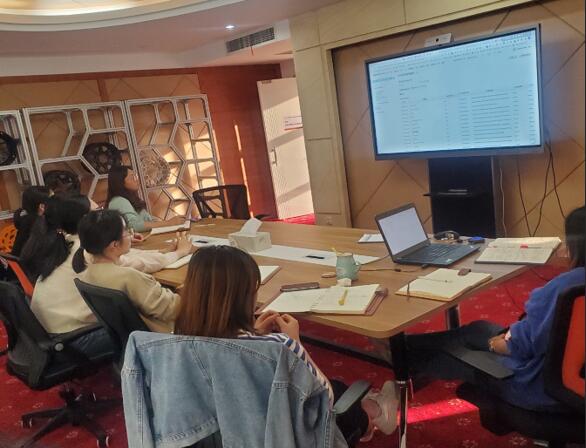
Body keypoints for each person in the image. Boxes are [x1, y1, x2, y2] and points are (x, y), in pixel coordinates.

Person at [175, 245, 399, 441]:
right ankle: (374, 412)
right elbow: (325, 399)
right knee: (339, 394)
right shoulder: (278, 345)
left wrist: (255, 335)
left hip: (225, 430)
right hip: (285, 433)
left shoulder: (175, 343)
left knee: (339, 386)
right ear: (244, 297)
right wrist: (295, 343)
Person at [406, 205, 585, 412]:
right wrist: (510, 337)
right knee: (478, 329)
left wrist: (497, 345)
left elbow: (523, 346)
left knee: (452, 355)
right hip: (568, 375)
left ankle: (400, 360)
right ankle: (404, 346)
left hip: (536, 385)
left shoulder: (566, 288)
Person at [24, 196, 194, 356]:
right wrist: (180, 255)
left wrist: (163, 251)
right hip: (69, 336)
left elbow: (128, 258)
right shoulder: (92, 260)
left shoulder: (72, 246)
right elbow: (168, 305)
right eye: (97, 212)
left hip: (47, 329)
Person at [73, 209, 183, 333]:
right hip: (163, 335)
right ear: (114, 245)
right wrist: (188, 290)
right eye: (126, 231)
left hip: (133, 337)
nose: (131, 234)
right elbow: (172, 310)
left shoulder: (88, 273)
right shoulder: (129, 277)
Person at [107, 166, 184, 232]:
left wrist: (165, 223)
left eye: (136, 176)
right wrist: (168, 223)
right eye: (132, 177)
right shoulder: (118, 201)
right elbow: (133, 225)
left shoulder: (130, 199)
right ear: (120, 182)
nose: (137, 180)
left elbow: (148, 219)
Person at [11, 186, 51, 257]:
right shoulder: (36, 223)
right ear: (41, 206)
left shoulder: (26, 219)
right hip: (29, 262)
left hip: (18, 260)